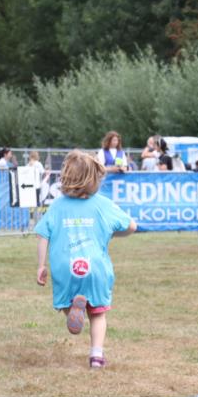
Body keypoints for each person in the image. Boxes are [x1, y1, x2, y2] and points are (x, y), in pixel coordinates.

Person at [35, 150, 137, 368]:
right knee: (98, 313)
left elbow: (43, 234)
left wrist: (41, 266)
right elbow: (131, 226)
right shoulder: (102, 204)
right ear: (94, 179)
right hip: (95, 267)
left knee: (67, 302)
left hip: (64, 267)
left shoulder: (58, 206)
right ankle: (96, 356)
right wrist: (114, 232)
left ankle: (73, 309)